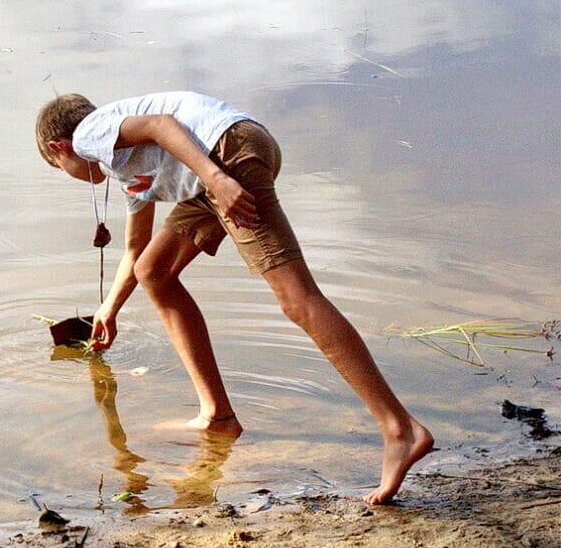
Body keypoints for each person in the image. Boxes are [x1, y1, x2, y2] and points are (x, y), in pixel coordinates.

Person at [35, 90, 434, 504]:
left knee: (297, 299)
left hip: (227, 155)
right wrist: (109, 309)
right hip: (218, 161)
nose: (71, 170)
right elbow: (136, 251)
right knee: (153, 272)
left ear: (58, 147)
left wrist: (216, 178)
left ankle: (400, 429)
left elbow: (161, 125)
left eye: (59, 166)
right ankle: (217, 417)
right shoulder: (131, 167)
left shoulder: (86, 135)